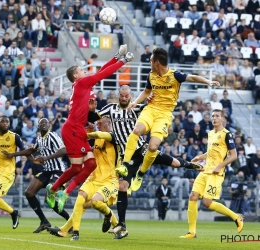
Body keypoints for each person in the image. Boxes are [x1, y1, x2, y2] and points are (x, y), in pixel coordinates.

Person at [88, 85, 202, 239]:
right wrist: (91, 110)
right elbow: (93, 118)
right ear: (118, 96)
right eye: (121, 95)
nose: (123, 98)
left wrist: (150, 101)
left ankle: (191, 165)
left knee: (174, 163)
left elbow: (151, 112)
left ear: (131, 95)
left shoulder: (136, 108)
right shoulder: (110, 108)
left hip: (142, 149)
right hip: (128, 157)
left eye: (126, 96)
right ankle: (122, 226)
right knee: (122, 186)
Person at [46, 45, 134, 213]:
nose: (85, 72)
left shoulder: (85, 86)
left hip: (78, 128)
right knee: (79, 167)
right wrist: (124, 61)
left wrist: (116, 57)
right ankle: (60, 190)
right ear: (75, 75)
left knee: (88, 165)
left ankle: (56, 189)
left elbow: (101, 71)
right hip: (72, 128)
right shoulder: (81, 83)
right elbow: (103, 74)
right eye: (82, 70)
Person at [117, 48, 220, 192]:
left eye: (151, 60)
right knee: (136, 130)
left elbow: (193, 77)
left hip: (164, 115)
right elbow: (147, 92)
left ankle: (140, 174)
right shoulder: (151, 75)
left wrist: (208, 81)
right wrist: (135, 102)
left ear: (156, 62)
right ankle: (125, 165)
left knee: (153, 147)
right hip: (150, 109)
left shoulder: (175, 75)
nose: (150, 62)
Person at [47, 118, 120, 241]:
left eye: (100, 123)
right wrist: (85, 132)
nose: (97, 124)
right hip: (93, 178)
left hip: (109, 180)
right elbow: (83, 143)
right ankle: (71, 232)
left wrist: (85, 132)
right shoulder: (96, 140)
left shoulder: (113, 136)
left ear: (109, 123)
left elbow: (97, 134)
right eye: (97, 123)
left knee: (96, 202)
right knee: (80, 199)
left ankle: (112, 221)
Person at [180, 109, 244, 238]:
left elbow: (234, 156)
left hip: (216, 173)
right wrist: (200, 157)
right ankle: (192, 232)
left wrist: (220, 166)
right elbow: (211, 152)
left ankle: (236, 217)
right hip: (205, 170)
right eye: (212, 116)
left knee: (206, 203)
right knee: (193, 196)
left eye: (217, 116)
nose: (214, 118)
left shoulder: (227, 134)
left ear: (222, 119)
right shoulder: (210, 133)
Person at [2, 118, 70, 233]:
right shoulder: (39, 139)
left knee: (50, 199)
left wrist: (46, 158)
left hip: (58, 170)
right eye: (41, 123)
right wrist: (13, 154)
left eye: (46, 123)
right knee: (29, 193)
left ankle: (70, 222)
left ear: (49, 125)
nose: (43, 124)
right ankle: (44, 221)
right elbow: (29, 151)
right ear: (38, 126)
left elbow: (64, 151)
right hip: (47, 170)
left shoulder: (53, 136)